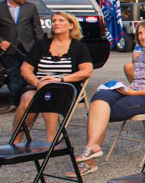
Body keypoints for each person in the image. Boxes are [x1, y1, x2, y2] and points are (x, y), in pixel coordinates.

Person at [71, 19, 145, 178]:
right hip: (133, 91)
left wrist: (133, 93)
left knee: (98, 112)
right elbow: (137, 81)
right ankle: (92, 147)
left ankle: (89, 160)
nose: (143, 36)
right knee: (100, 96)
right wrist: (126, 89)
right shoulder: (140, 56)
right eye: (140, 33)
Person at [12, 12, 93, 142]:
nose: (56, 23)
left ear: (71, 25)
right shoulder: (42, 44)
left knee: (48, 91)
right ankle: (15, 140)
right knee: (27, 101)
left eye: (61, 20)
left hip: (65, 86)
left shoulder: (79, 47)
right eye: (54, 21)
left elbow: (87, 71)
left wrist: (59, 80)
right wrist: (38, 83)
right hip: (36, 84)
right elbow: (25, 69)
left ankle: (51, 138)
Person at [0, 0, 44, 114]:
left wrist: (40, 47)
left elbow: (37, 29)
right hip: (8, 49)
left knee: (32, 75)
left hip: (28, 48)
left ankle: (36, 102)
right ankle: (15, 103)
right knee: (13, 76)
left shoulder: (31, 7)